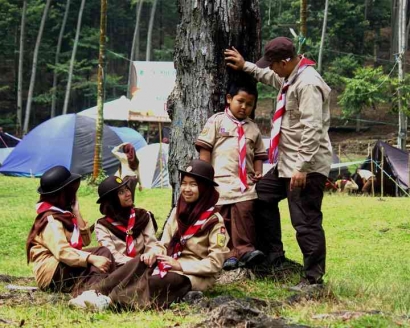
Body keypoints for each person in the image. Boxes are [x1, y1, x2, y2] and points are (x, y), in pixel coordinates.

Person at [224, 37, 332, 289]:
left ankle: (313, 279)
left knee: (305, 221)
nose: (271, 69)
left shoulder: (308, 84)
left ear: (285, 62)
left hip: (306, 167)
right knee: (260, 195)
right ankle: (274, 255)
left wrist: (302, 167)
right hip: (286, 164)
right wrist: (245, 66)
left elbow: (313, 128)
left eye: (273, 64)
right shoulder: (290, 77)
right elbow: (270, 78)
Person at [195, 81, 268, 271]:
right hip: (220, 182)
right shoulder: (217, 121)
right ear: (229, 99)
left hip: (245, 184)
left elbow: (259, 154)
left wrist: (258, 170)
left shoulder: (253, 128)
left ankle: (244, 250)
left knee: (245, 215)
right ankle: (227, 254)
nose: (244, 107)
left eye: (249, 104)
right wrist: (205, 176)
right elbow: (205, 148)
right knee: (222, 219)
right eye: (240, 101)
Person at [26, 166, 115, 297]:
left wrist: (77, 212)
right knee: (97, 259)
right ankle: (90, 294)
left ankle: (98, 290)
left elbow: (85, 241)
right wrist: (91, 258)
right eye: (71, 190)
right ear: (62, 193)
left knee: (103, 253)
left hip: (62, 264)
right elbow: (62, 252)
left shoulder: (65, 214)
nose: (74, 193)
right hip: (51, 272)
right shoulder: (51, 220)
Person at [156, 159, 230, 293]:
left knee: (161, 282)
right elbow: (164, 244)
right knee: (138, 265)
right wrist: (154, 254)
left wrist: (180, 265)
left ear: (204, 188)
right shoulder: (177, 211)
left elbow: (215, 263)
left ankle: (121, 301)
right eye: (183, 183)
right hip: (170, 264)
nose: (186, 189)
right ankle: (108, 293)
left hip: (194, 275)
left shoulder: (214, 221)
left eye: (193, 184)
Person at [95, 176, 165, 267]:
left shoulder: (143, 216)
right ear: (112, 200)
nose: (128, 194)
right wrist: (137, 262)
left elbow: (151, 245)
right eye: (121, 192)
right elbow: (111, 255)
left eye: (127, 189)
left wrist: (149, 256)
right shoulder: (103, 225)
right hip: (119, 269)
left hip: (146, 265)